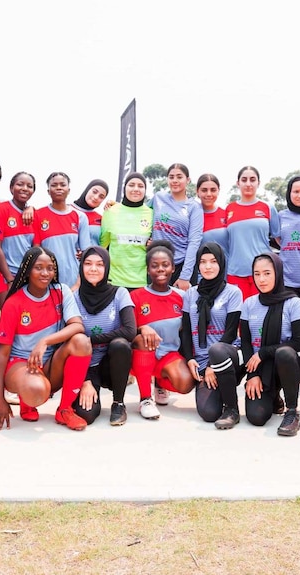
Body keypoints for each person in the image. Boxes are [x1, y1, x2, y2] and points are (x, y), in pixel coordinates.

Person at [0, 247, 92, 431]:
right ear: (28, 269)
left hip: (48, 362)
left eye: (50, 268)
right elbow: (2, 353)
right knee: (37, 390)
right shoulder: (14, 302)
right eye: (38, 267)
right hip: (20, 363)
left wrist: (44, 341)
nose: (45, 273)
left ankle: (65, 410)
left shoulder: (61, 292)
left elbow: (77, 326)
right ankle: (26, 398)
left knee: (82, 342)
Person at [240, 252, 300, 436]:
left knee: (284, 352)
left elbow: (299, 343)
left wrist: (264, 352)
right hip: (261, 369)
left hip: (288, 365)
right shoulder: (249, 304)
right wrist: (252, 374)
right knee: (256, 417)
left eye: (267, 273)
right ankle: (274, 398)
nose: (261, 279)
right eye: (257, 274)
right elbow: (246, 342)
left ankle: (292, 411)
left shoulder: (294, 303)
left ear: (277, 273)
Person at [129, 242, 195, 418]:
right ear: (148, 269)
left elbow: (187, 329)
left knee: (185, 383)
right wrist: (142, 327)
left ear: (173, 268)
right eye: (154, 265)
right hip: (141, 355)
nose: (160, 269)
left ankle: (161, 383)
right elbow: (126, 330)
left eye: (165, 265)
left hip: (168, 355)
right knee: (144, 339)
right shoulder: (135, 296)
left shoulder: (181, 297)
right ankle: (145, 399)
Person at [182, 242, 243, 429]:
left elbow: (231, 332)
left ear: (222, 264)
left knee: (217, 351)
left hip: (227, 356)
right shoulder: (191, 294)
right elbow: (185, 329)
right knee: (209, 413)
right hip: (201, 361)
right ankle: (220, 396)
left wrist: (212, 366)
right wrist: (190, 358)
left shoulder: (233, 292)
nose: (207, 266)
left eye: (213, 261)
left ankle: (232, 409)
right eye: (203, 262)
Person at [72, 246, 136, 426]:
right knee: (87, 416)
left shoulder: (119, 293)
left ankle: (118, 403)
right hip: (85, 366)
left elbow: (130, 331)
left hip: (111, 364)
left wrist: (90, 340)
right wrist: (85, 381)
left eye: (100, 264)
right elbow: (69, 342)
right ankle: (85, 387)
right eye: (88, 263)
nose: (93, 269)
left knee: (121, 345)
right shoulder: (73, 298)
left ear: (107, 267)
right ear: (81, 267)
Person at [225, 166, 281, 300]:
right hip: (236, 272)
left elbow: (280, 240)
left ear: (258, 183)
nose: (248, 184)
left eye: (252, 179)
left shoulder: (268, 207)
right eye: (244, 180)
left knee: (262, 314)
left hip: (263, 271)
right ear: (238, 183)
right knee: (239, 315)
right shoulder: (229, 209)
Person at [32, 172, 91, 290]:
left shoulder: (80, 217)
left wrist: (78, 284)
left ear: (68, 190)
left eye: (62, 184)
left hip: (74, 283)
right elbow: (36, 252)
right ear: (48, 191)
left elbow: (86, 255)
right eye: (54, 185)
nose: (58, 187)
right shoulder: (38, 215)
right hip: (47, 282)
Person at [148, 163, 202, 291]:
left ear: (187, 180)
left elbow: (194, 242)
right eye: (171, 177)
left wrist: (185, 276)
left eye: (179, 177)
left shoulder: (194, 207)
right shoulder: (158, 198)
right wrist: (114, 206)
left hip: (181, 266)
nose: (175, 181)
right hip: (157, 263)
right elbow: (138, 211)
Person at [0, 171, 37, 310]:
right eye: (20, 184)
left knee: (26, 318)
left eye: (29, 186)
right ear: (11, 188)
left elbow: (35, 248)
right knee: (10, 314)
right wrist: (10, 279)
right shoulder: (1, 209)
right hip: (4, 275)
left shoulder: (33, 214)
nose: (24, 188)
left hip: (26, 277)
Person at [99, 172, 153, 289]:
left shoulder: (151, 213)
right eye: (131, 185)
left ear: (145, 190)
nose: (135, 189)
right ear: (124, 188)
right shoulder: (111, 211)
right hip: (114, 281)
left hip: (142, 283)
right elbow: (102, 247)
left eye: (140, 186)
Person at [73, 179, 108, 246]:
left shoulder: (102, 219)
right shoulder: (66, 211)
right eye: (94, 192)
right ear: (87, 190)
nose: (96, 197)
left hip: (94, 255)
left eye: (101, 197)